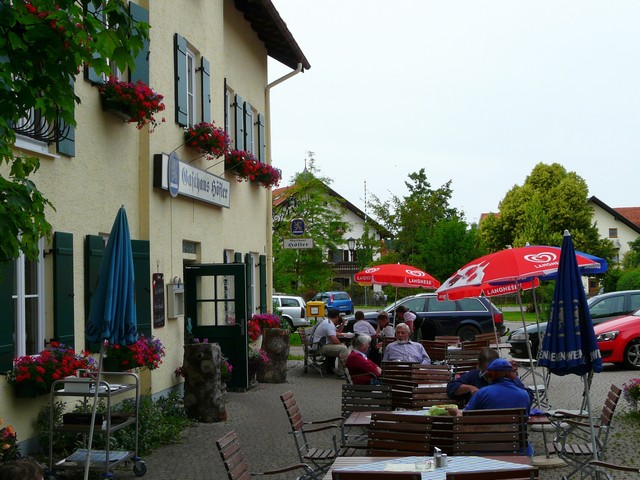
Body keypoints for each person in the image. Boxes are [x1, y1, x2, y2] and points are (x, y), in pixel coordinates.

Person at [446, 347, 534, 406]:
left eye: (492, 370)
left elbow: (527, 395)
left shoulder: (509, 378)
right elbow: (451, 388)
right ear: (479, 366)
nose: (489, 373)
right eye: (485, 370)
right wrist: (470, 388)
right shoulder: (473, 375)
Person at [447, 358, 532, 415]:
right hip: (516, 441)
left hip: (485, 440)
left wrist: (457, 412)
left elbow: (465, 418)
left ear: (491, 374)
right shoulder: (524, 395)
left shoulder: (481, 393)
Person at [312, 308, 349, 376]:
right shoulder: (328, 324)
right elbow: (334, 338)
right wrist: (341, 345)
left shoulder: (327, 322)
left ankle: (330, 367)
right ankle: (341, 372)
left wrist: (342, 324)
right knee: (343, 349)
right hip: (320, 347)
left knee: (342, 347)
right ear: (337, 317)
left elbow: (336, 333)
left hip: (319, 345)